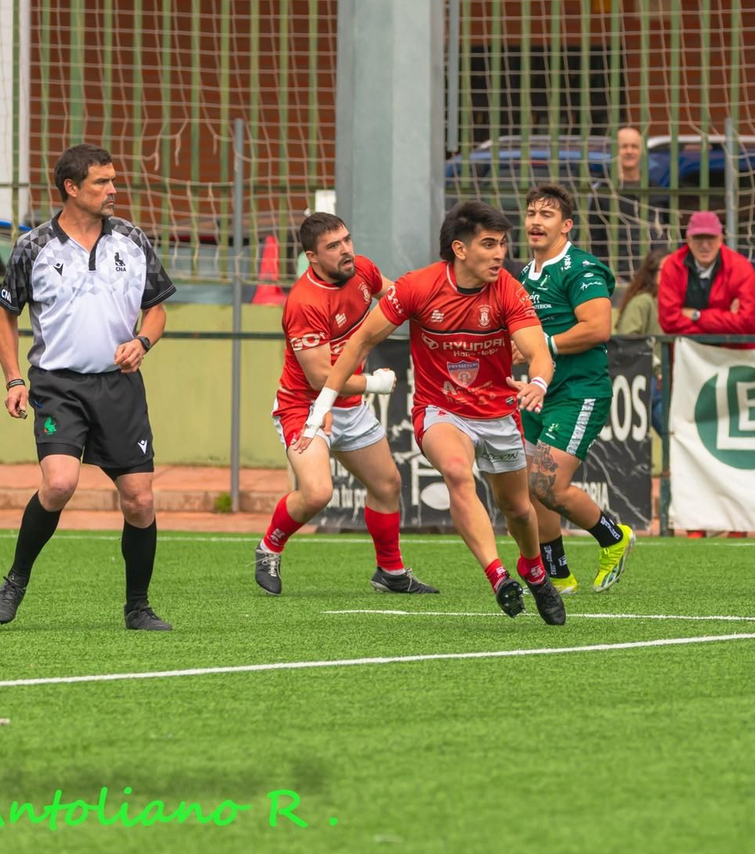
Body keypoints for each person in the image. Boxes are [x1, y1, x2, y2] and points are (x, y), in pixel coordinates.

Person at [296, 201, 566, 625]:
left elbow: (537, 352)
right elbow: (361, 342)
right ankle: (498, 576)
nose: (500, 254)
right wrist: (320, 408)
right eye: (489, 244)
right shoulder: (418, 287)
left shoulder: (509, 290)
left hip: (497, 412)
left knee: (517, 508)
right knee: (457, 472)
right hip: (440, 409)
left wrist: (538, 383)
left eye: (502, 244)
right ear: (460, 249)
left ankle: (532, 569)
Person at [0, 143, 176, 630]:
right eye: (101, 182)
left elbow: (157, 309)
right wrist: (13, 378)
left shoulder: (133, 239)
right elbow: (4, 317)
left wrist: (142, 341)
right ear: (71, 188)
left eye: (113, 180)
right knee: (59, 484)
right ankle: (15, 582)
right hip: (57, 387)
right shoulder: (33, 246)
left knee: (140, 500)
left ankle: (138, 607)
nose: (113, 189)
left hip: (120, 388)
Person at [256, 213, 436, 596]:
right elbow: (321, 379)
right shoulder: (304, 302)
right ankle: (269, 547)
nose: (346, 250)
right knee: (317, 493)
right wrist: (376, 383)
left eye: (347, 240)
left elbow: (397, 298)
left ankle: (390, 572)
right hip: (306, 408)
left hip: (350, 407)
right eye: (333, 246)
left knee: (387, 484)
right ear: (312, 257)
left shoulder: (362, 270)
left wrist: (439, 313)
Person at [519, 183, 636, 595]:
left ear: (566, 225)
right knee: (530, 487)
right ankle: (557, 573)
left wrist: (543, 346)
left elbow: (598, 328)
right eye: (531, 213)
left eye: (546, 215)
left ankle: (613, 537)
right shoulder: (524, 275)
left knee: (547, 484)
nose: (536, 221)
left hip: (578, 391)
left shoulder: (581, 268)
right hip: (538, 391)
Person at [657, 211, 755, 343]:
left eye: (710, 238)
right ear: (688, 240)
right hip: (688, 350)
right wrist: (723, 322)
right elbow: (669, 321)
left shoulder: (740, 267)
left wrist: (696, 315)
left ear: (720, 240)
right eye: (698, 238)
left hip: (737, 350)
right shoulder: (672, 266)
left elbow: (745, 321)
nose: (705, 245)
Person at [586, 125, 667, 278]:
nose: (629, 151)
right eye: (624, 147)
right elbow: (594, 241)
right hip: (619, 277)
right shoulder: (603, 192)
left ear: (641, 151)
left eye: (634, 146)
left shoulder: (655, 189)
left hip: (654, 276)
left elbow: (668, 231)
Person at [615, 248, 668, 434]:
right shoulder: (643, 301)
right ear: (652, 273)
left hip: (664, 379)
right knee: (673, 434)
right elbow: (627, 341)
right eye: (666, 270)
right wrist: (657, 369)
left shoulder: (670, 303)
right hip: (646, 378)